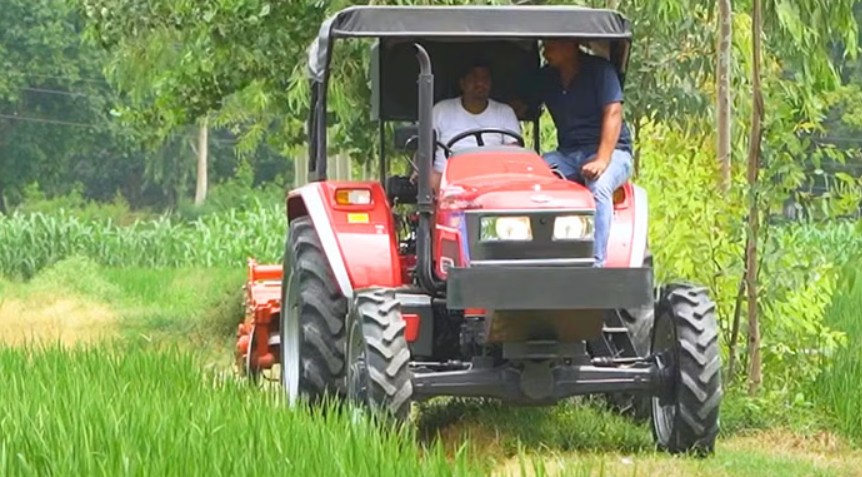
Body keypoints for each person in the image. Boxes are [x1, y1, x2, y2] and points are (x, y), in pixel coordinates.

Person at [513, 39, 634, 267]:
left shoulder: (600, 71)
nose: (545, 50)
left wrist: (602, 159)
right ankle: (535, 258)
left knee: (599, 187)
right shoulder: (547, 77)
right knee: (529, 179)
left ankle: (595, 265)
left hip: (612, 151)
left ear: (570, 45)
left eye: (551, 44)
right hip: (568, 154)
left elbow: (613, 112)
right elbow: (522, 106)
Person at [424, 60, 522, 192]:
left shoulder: (505, 112)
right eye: (473, 78)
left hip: (493, 187)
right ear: (462, 83)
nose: (480, 83)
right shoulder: (441, 110)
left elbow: (514, 156)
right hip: (446, 185)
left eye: (485, 78)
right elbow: (422, 150)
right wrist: (429, 175)